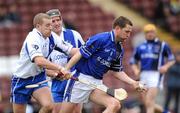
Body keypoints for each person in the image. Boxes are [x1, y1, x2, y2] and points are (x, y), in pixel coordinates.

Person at [59, 16, 145, 113]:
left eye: (130, 32)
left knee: (114, 104)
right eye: (127, 31)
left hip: (96, 83)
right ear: (117, 29)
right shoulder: (101, 39)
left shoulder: (119, 49)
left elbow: (117, 72)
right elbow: (80, 53)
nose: (129, 35)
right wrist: (66, 69)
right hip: (80, 81)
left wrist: (133, 82)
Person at [10, 13, 74, 113]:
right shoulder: (32, 38)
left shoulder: (52, 36)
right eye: (47, 25)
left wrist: (87, 51)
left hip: (38, 78)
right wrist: (61, 69)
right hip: (21, 80)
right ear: (38, 26)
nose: (51, 28)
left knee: (49, 106)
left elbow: (71, 51)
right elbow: (39, 61)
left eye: (51, 25)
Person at [130, 24, 175, 113]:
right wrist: (136, 70)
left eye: (152, 32)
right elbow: (133, 61)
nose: (150, 34)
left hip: (155, 74)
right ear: (145, 34)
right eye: (147, 32)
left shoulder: (162, 45)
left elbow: (172, 59)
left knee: (149, 101)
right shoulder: (140, 47)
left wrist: (166, 67)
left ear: (155, 33)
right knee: (146, 102)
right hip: (143, 75)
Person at [46, 9, 84, 113]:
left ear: (61, 20)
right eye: (53, 21)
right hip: (57, 84)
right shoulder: (45, 41)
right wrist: (55, 73)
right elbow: (44, 69)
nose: (56, 23)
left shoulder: (74, 35)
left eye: (58, 20)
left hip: (74, 82)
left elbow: (84, 54)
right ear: (48, 24)